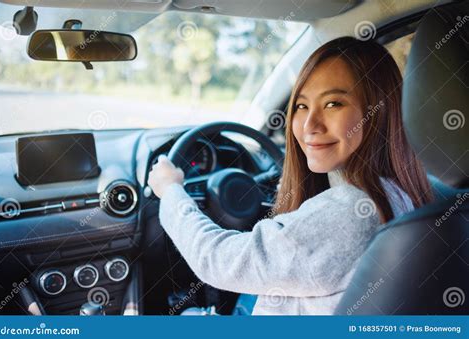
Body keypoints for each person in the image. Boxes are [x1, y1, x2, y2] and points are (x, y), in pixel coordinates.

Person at [148, 37, 433, 315]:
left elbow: (218, 261)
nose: (310, 125)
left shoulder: (348, 212)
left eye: (333, 104)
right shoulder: (402, 191)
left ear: (378, 111)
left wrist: (172, 191)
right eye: (301, 106)